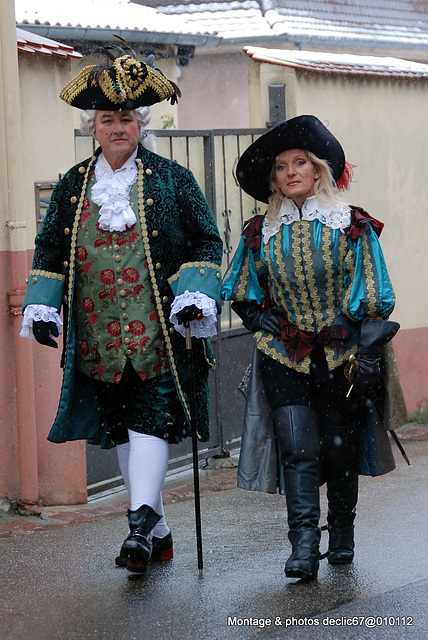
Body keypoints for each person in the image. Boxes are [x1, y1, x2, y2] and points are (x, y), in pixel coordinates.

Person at [20, 42, 223, 573]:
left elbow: (206, 240)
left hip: (158, 333)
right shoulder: (71, 186)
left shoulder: (173, 180)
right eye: (107, 119)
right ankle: (156, 530)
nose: (117, 128)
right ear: (93, 126)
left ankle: (136, 528)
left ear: (141, 124)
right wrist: (43, 305)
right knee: (126, 432)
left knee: (149, 423)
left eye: (127, 119)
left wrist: (194, 295)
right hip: (98, 338)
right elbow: (48, 249)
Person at [222, 115, 402, 581]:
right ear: (274, 179)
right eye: (281, 167)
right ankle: (303, 545)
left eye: (300, 162)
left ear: (318, 169)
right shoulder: (260, 232)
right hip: (285, 354)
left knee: (340, 451)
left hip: (342, 357)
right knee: (298, 447)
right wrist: (258, 317)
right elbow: (242, 287)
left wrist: (365, 351)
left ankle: (341, 531)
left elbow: (375, 290)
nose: (290, 172)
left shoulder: (350, 225)